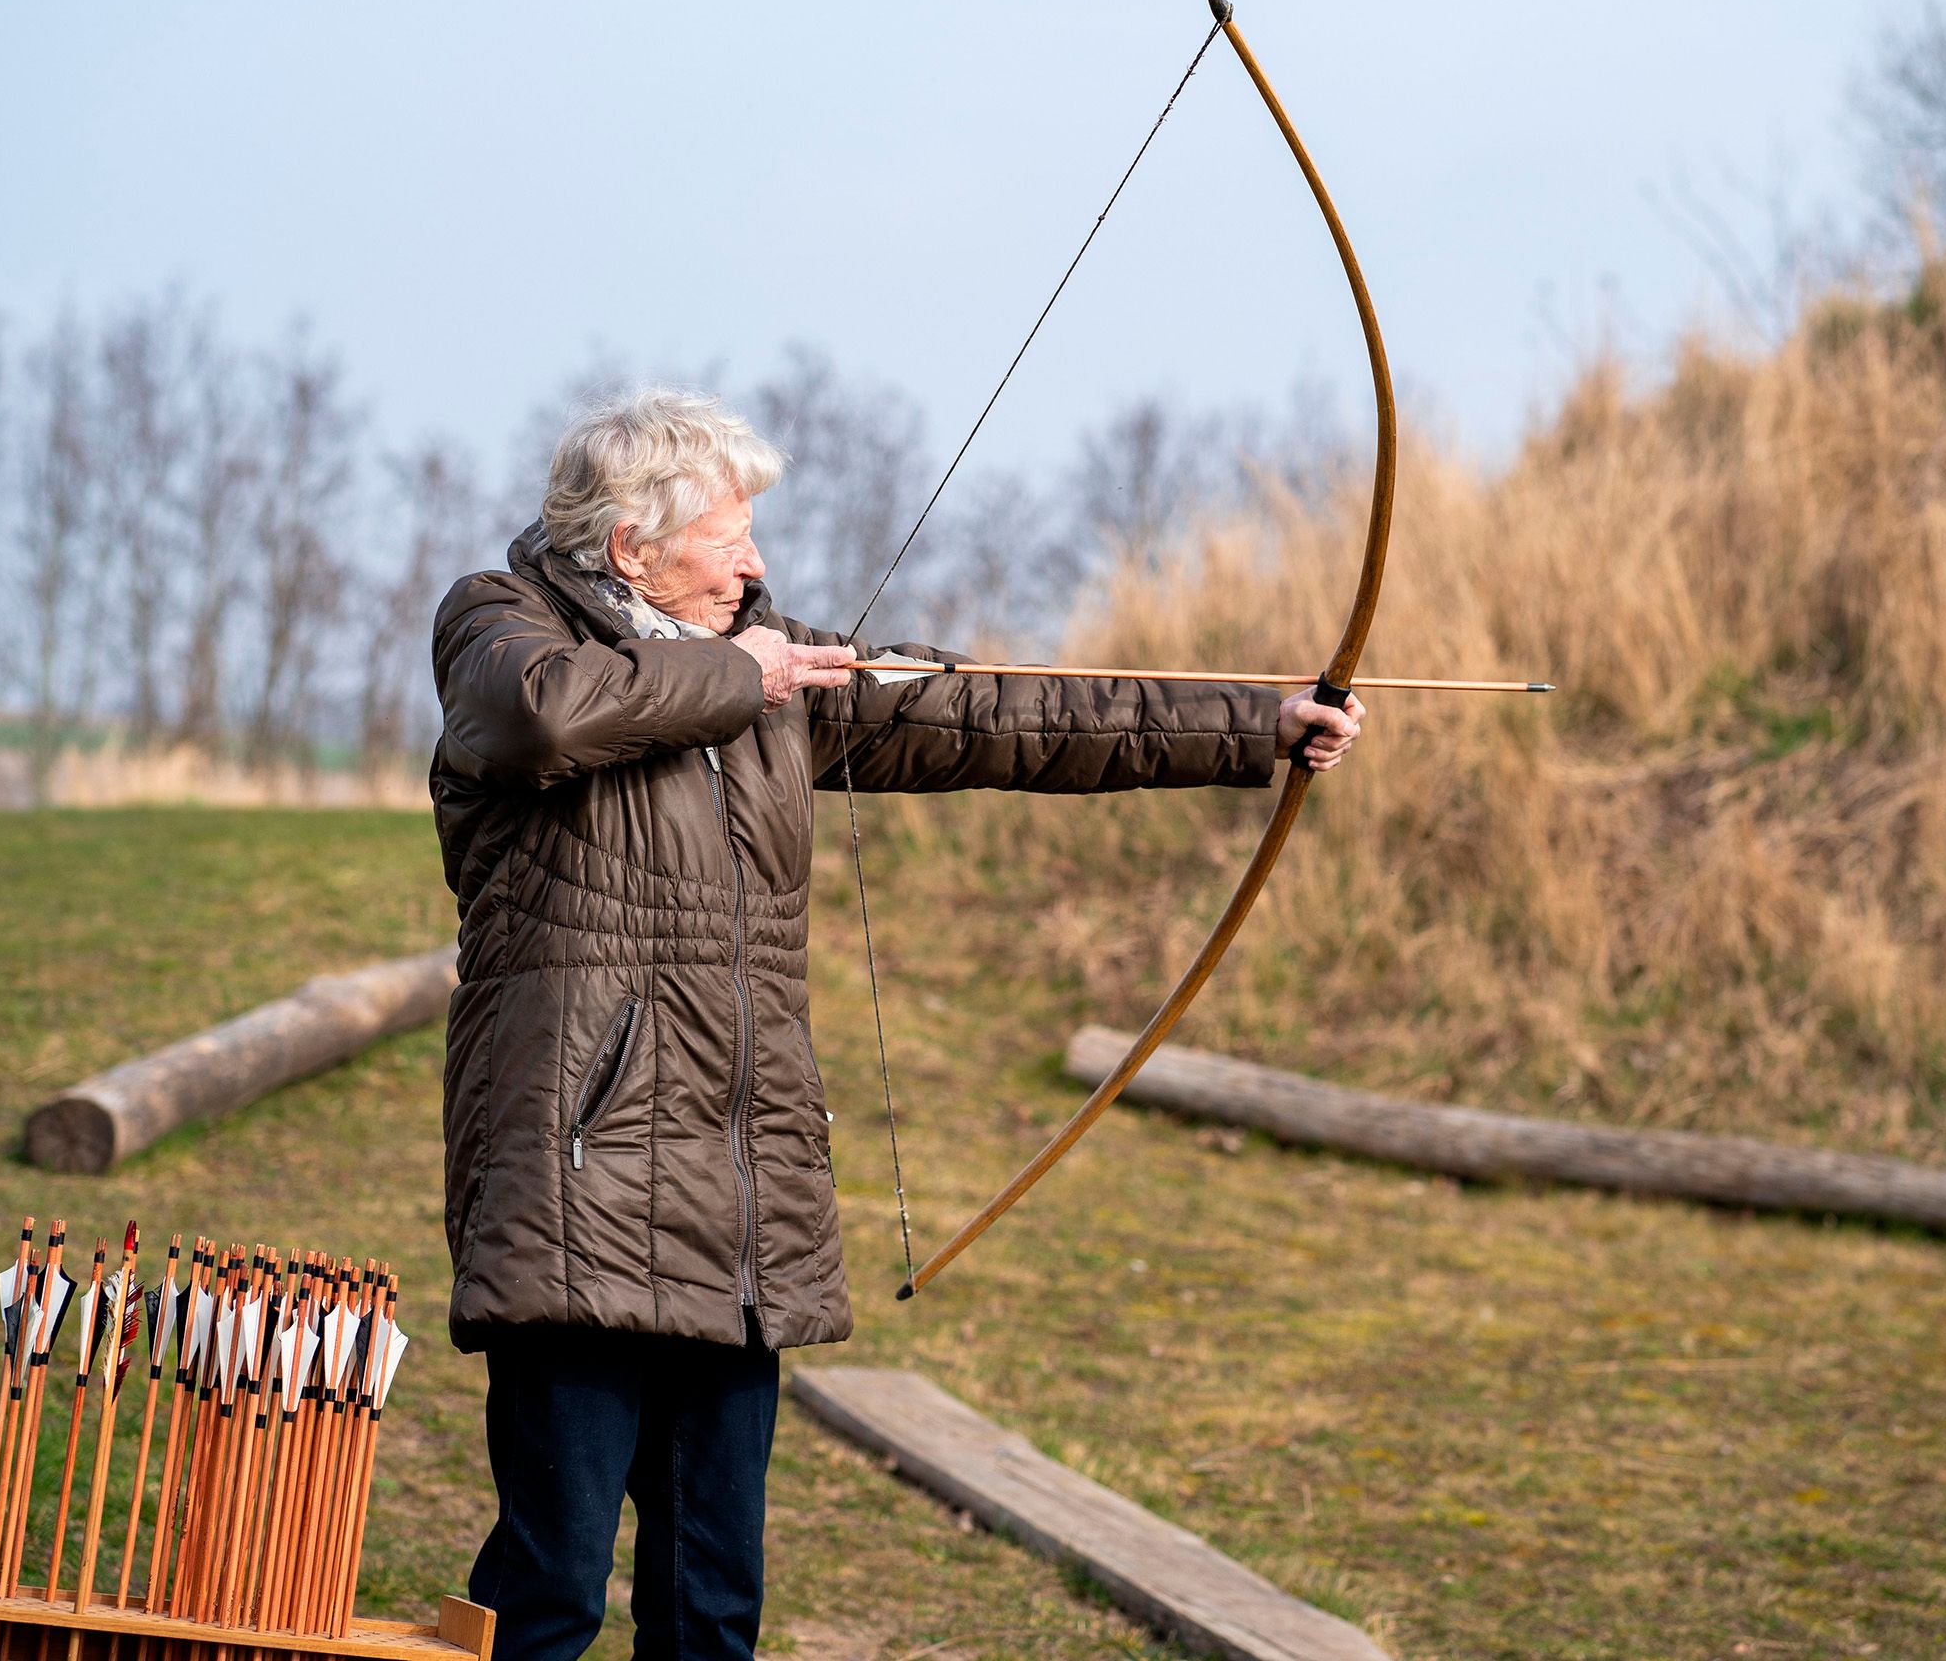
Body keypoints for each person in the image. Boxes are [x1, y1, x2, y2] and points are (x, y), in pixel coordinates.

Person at [429, 385, 1362, 1660]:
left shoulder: (772, 661)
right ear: (631, 548)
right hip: (578, 1189)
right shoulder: (502, 620)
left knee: (712, 1604)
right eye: (727, 537)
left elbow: (998, 715)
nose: (755, 563)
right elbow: (541, 714)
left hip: (736, 1200)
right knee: (550, 1590)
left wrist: (1257, 724)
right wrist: (739, 676)